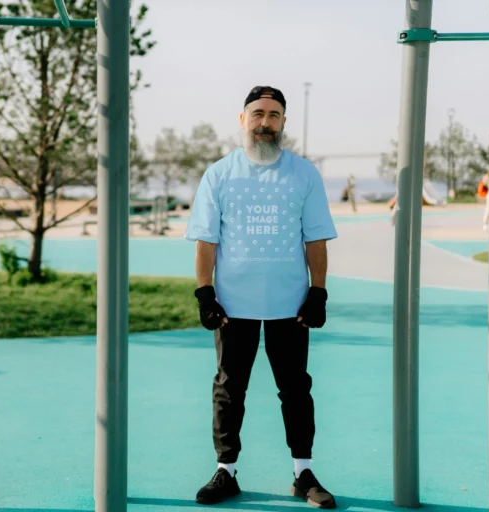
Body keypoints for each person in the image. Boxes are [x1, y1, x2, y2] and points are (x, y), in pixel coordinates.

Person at [185, 85, 338, 509]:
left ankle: (302, 473)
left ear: (283, 121)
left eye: (273, 115)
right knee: (229, 389)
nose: (265, 122)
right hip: (234, 308)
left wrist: (318, 292)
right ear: (243, 120)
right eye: (258, 114)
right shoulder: (219, 174)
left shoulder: (304, 174)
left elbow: (316, 239)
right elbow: (206, 240)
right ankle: (226, 471)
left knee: (296, 390)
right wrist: (205, 293)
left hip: (290, 306)